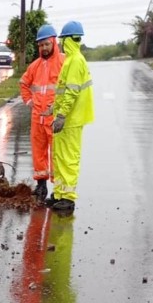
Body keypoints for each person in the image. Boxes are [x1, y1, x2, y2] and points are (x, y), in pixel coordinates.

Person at [46, 20, 95, 211]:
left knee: (68, 158)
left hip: (71, 119)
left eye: (62, 40)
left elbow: (72, 92)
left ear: (68, 40)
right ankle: (59, 193)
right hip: (66, 117)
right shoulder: (71, 60)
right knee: (59, 156)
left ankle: (68, 198)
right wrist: (53, 109)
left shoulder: (75, 61)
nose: (59, 44)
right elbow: (62, 91)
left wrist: (61, 115)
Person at [20, 24, 65, 201]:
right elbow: (23, 84)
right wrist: (29, 101)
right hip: (37, 118)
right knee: (38, 152)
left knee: (57, 154)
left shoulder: (64, 62)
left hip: (55, 118)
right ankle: (41, 185)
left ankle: (58, 190)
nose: (44, 48)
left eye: (46, 44)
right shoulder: (35, 66)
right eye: (41, 45)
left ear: (53, 42)